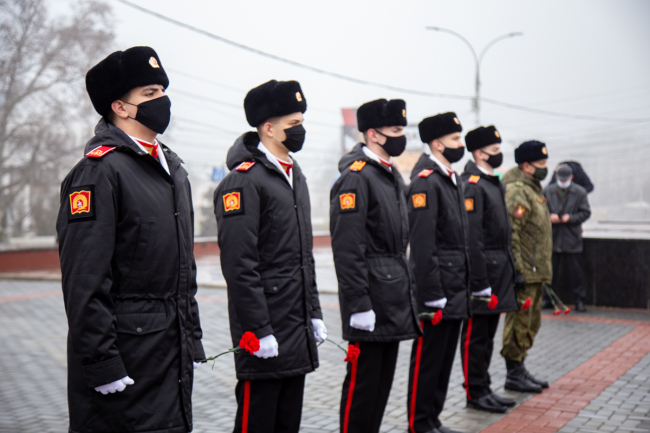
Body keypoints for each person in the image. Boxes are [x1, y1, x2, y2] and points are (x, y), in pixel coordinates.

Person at [56, 46, 205, 433]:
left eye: (163, 91)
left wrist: (191, 338)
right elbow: (85, 280)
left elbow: (183, 270)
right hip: (126, 356)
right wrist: (101, 363)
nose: (162, 101)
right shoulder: (98, 173)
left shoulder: (174, 171)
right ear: (120, 107)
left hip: (169, 354)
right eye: (150, 93)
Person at [213, 80, 326, 433]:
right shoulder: (244, 181)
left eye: (302, 122)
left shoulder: (295, 175)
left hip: (295, 322)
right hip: (266, 326)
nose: (300, 130)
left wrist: (314, 313)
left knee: (288, 421)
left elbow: (303, 257)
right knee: (257, 420)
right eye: (293, 123)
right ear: (268, 128)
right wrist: (258, 330)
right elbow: (239, 265)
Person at [330, 98, 420, 433]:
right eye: (395, 130)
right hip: (370, 299)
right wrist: (358, 304)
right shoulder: (356, 178)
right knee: (363, 386)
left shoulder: (390, 175)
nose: (401, 137)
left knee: (381, 385)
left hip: (392, 295)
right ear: (372, 134)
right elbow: (347, 248)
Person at [406, 112, 470, 433]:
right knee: (428, 360)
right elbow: (422, 244)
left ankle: (433, 418)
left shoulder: (449, 178)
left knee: (444, 360)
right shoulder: (426, 182)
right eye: (455, 139)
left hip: (455, 286)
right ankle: (419, 422)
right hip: (437, 291)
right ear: (437, 143)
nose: (461, 144)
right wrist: (432, 294)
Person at [460, 125, 519, 413]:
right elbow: (473, 239)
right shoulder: (473, 185)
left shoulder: (493, 182)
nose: (498, 154)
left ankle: (484, 387)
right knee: (476, 337)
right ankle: (474, 391)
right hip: (483, 273)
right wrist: (479, 280)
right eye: (494, 150)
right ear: (480, 153)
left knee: (487, 337)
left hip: (499, 269)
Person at [500, 141, 553, 394]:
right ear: (526, 166)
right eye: (541, 164)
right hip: (525, 271)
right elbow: (512, 234)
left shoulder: (534, 190)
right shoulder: (518, 191)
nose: (545, 168)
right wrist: (518, 270)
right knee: (519, 323)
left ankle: (520, 366)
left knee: (531, 323)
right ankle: (513, 373)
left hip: (536, 271)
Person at [543, 164, 591, 312]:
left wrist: (570, 218)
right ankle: (547, 300)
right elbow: (540, 211)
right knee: (550, 272)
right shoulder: (547, 191)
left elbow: (586, 212)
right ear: (556, 176)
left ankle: (580, 301)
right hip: (553, 237)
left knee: (576, 273)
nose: (563, 182)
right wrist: (548, 217)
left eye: (566, 179)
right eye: (561, 179)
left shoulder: (580, 192)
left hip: (572, 238)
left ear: (572, 177)